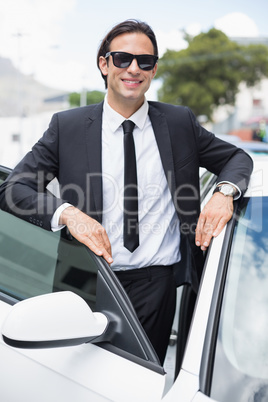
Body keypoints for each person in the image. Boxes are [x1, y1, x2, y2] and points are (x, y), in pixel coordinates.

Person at [0, 19, 253, 364]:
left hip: (157, 286)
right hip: (86, 282)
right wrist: (69, 215)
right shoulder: (67, 127)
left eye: (144, 61)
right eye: (122, 59)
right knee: (78, 380)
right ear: (104, 64)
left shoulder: (179, 123)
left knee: (143, 383)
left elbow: (236, 157)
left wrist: (224, 193)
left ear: (154, 69)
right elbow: (15, 188)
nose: (133, 69)